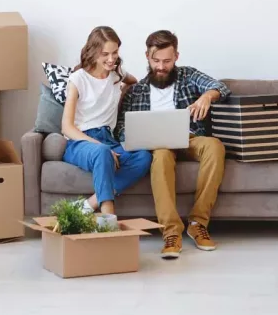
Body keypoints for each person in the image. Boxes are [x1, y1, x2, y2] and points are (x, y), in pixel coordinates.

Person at [115, 30, 230, 259]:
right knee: (161, 155)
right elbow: (121, 129)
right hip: (158, 144)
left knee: (215, 145)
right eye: (156, 60)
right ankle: (171, 232)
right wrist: (140, 136)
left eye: (167, 61)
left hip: (190, 137)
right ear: (147, 56)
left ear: (176, 56)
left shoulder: (188, 76)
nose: (161, 66)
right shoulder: (135, 92)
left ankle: (198, 223)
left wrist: (207, 96)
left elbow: (220, 87)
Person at [61, 26, 152, 216]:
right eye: (105, 54)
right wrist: (101, 147)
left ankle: (90, 204)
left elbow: (134, 81)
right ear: (93, 52)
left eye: (115, 53)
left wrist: (124, 91)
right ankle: (107, 215)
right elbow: (67, 127)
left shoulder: (116, 75)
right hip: (81, 141)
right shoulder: (78, 79)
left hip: (108, 138)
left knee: (144, 156)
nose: (111, 59)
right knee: (102, 152)